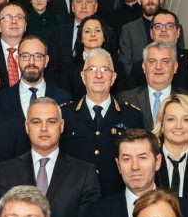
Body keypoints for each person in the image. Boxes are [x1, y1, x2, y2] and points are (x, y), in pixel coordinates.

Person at [0, 97, 100, 217]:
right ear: (27, 127)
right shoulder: (6, 171)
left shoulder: (84, 173)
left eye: (51, 122)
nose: (44, 128)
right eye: (36, 122)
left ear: (62, 126)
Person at [59, 50, 143, 198]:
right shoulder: (64, 115)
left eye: (105, 69)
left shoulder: (132, 117)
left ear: (113, 77)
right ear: (83, 77)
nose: (99, 75)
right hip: (74, 199)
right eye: (92, 69)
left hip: (116, 198)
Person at [118, 42, 188, 128]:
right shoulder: (126, 98)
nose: (158, 67)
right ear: (144, 67)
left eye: (165, 61)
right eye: (152, 61)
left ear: (175, 67)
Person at [0, 34, 70, 120]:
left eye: (38, 56)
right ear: (17, 60)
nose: (31, 62)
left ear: (46, 61)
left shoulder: (64, 99)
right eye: (25, 56)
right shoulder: (2, 99)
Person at [57, 15, 124, 100]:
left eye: (97, 30)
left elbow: (121, 98)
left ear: (104, 37)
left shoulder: (117, 66)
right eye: (87, 31)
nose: (93, 34)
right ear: (81, 38)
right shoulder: (68, 66)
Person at [118, 0, 168, 80]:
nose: (150, 0)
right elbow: (125, 66)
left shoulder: (173, 28)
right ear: (139, 0)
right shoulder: (128, 30)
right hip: (137, 87)